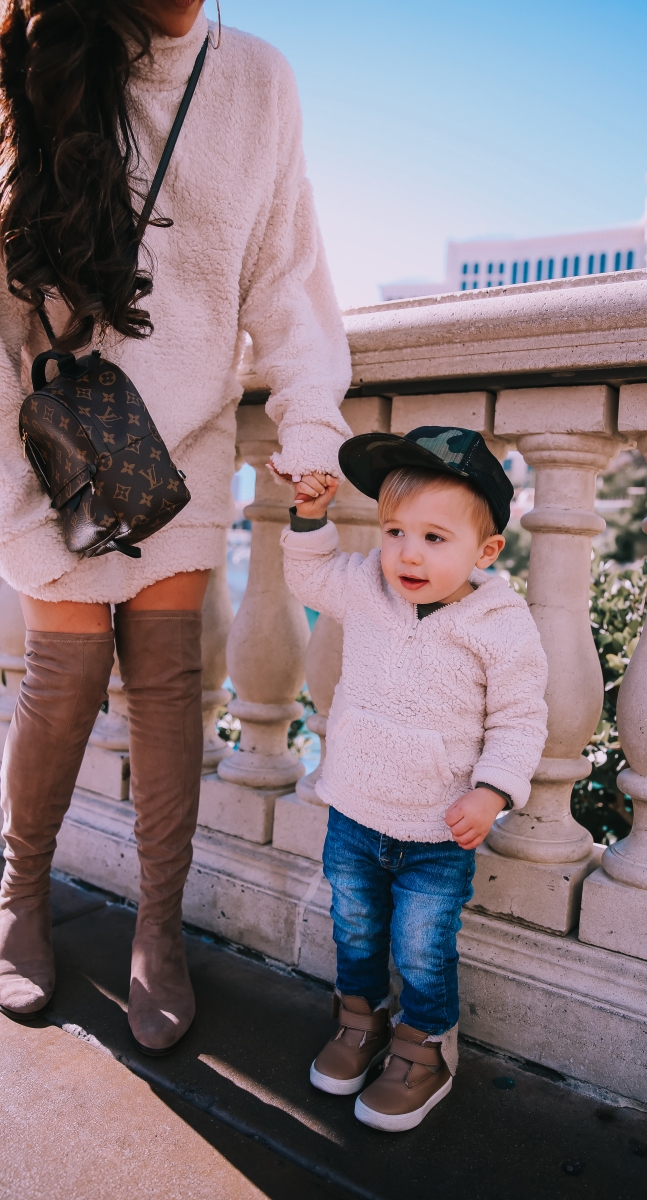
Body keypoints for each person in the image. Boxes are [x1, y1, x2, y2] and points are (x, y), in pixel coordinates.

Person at [0, 0, 352, 1055]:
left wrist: (310, 420)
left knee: (165, 687)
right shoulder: (36, 49)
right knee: (59, 687)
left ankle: (160, 925)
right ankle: (20, 894)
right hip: (50, 437)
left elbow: (285, 276)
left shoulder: (258, 77)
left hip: (181, 446)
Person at [279, 426, 548, 1131]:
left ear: (486, 551)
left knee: (423, 949)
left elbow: (520, 720)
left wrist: (492, 791)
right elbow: (308, 577)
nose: (406, 551)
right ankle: (360, 1019)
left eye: (434, 537)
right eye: (395, 529)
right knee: (356, 930)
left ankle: (424, 1045)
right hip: (355, 814)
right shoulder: (368, 583)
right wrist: (310, 518)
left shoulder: (499, 622)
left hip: (436, 832)